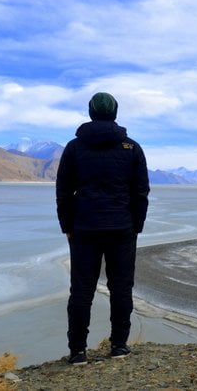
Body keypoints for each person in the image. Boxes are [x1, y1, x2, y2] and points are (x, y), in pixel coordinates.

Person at [56, 92, 150, 365]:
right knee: (121, 287)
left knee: (81, 290)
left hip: (84, 228)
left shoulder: (74, 148)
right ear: (115, 112)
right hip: (122, 228)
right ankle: (119, 346)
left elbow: (63, 191)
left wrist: (67, 226)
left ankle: (77, 352)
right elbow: (141, 192)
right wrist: (136, 225)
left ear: (90, 112)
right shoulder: (132, 148)